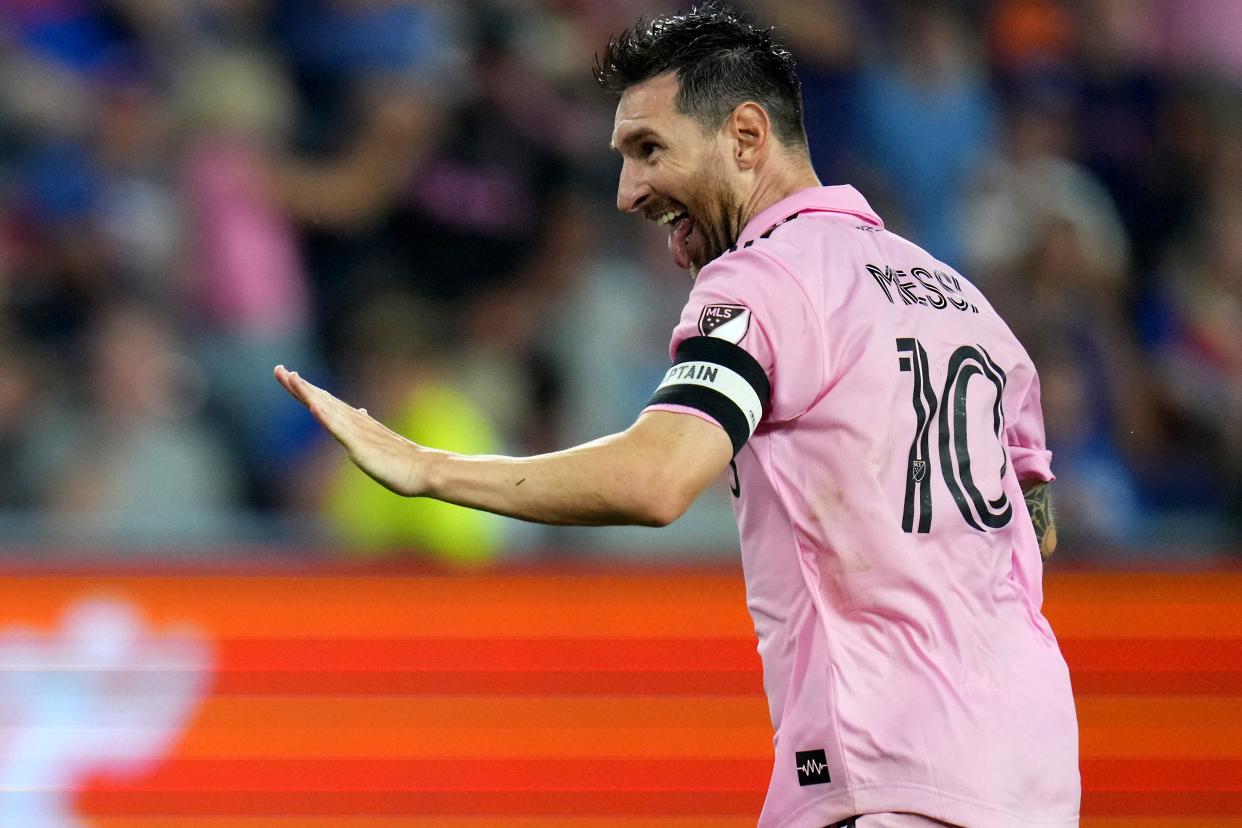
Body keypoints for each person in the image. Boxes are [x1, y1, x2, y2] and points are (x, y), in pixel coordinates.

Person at [274, 6, 1079, 827]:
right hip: (1032, 771)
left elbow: (657, 479)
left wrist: (430, 467)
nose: (627, 193)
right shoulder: (970, 308)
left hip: (888, 772)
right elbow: (1033, 529)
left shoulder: (765, 280)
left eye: (649, 150)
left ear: (745, 136)